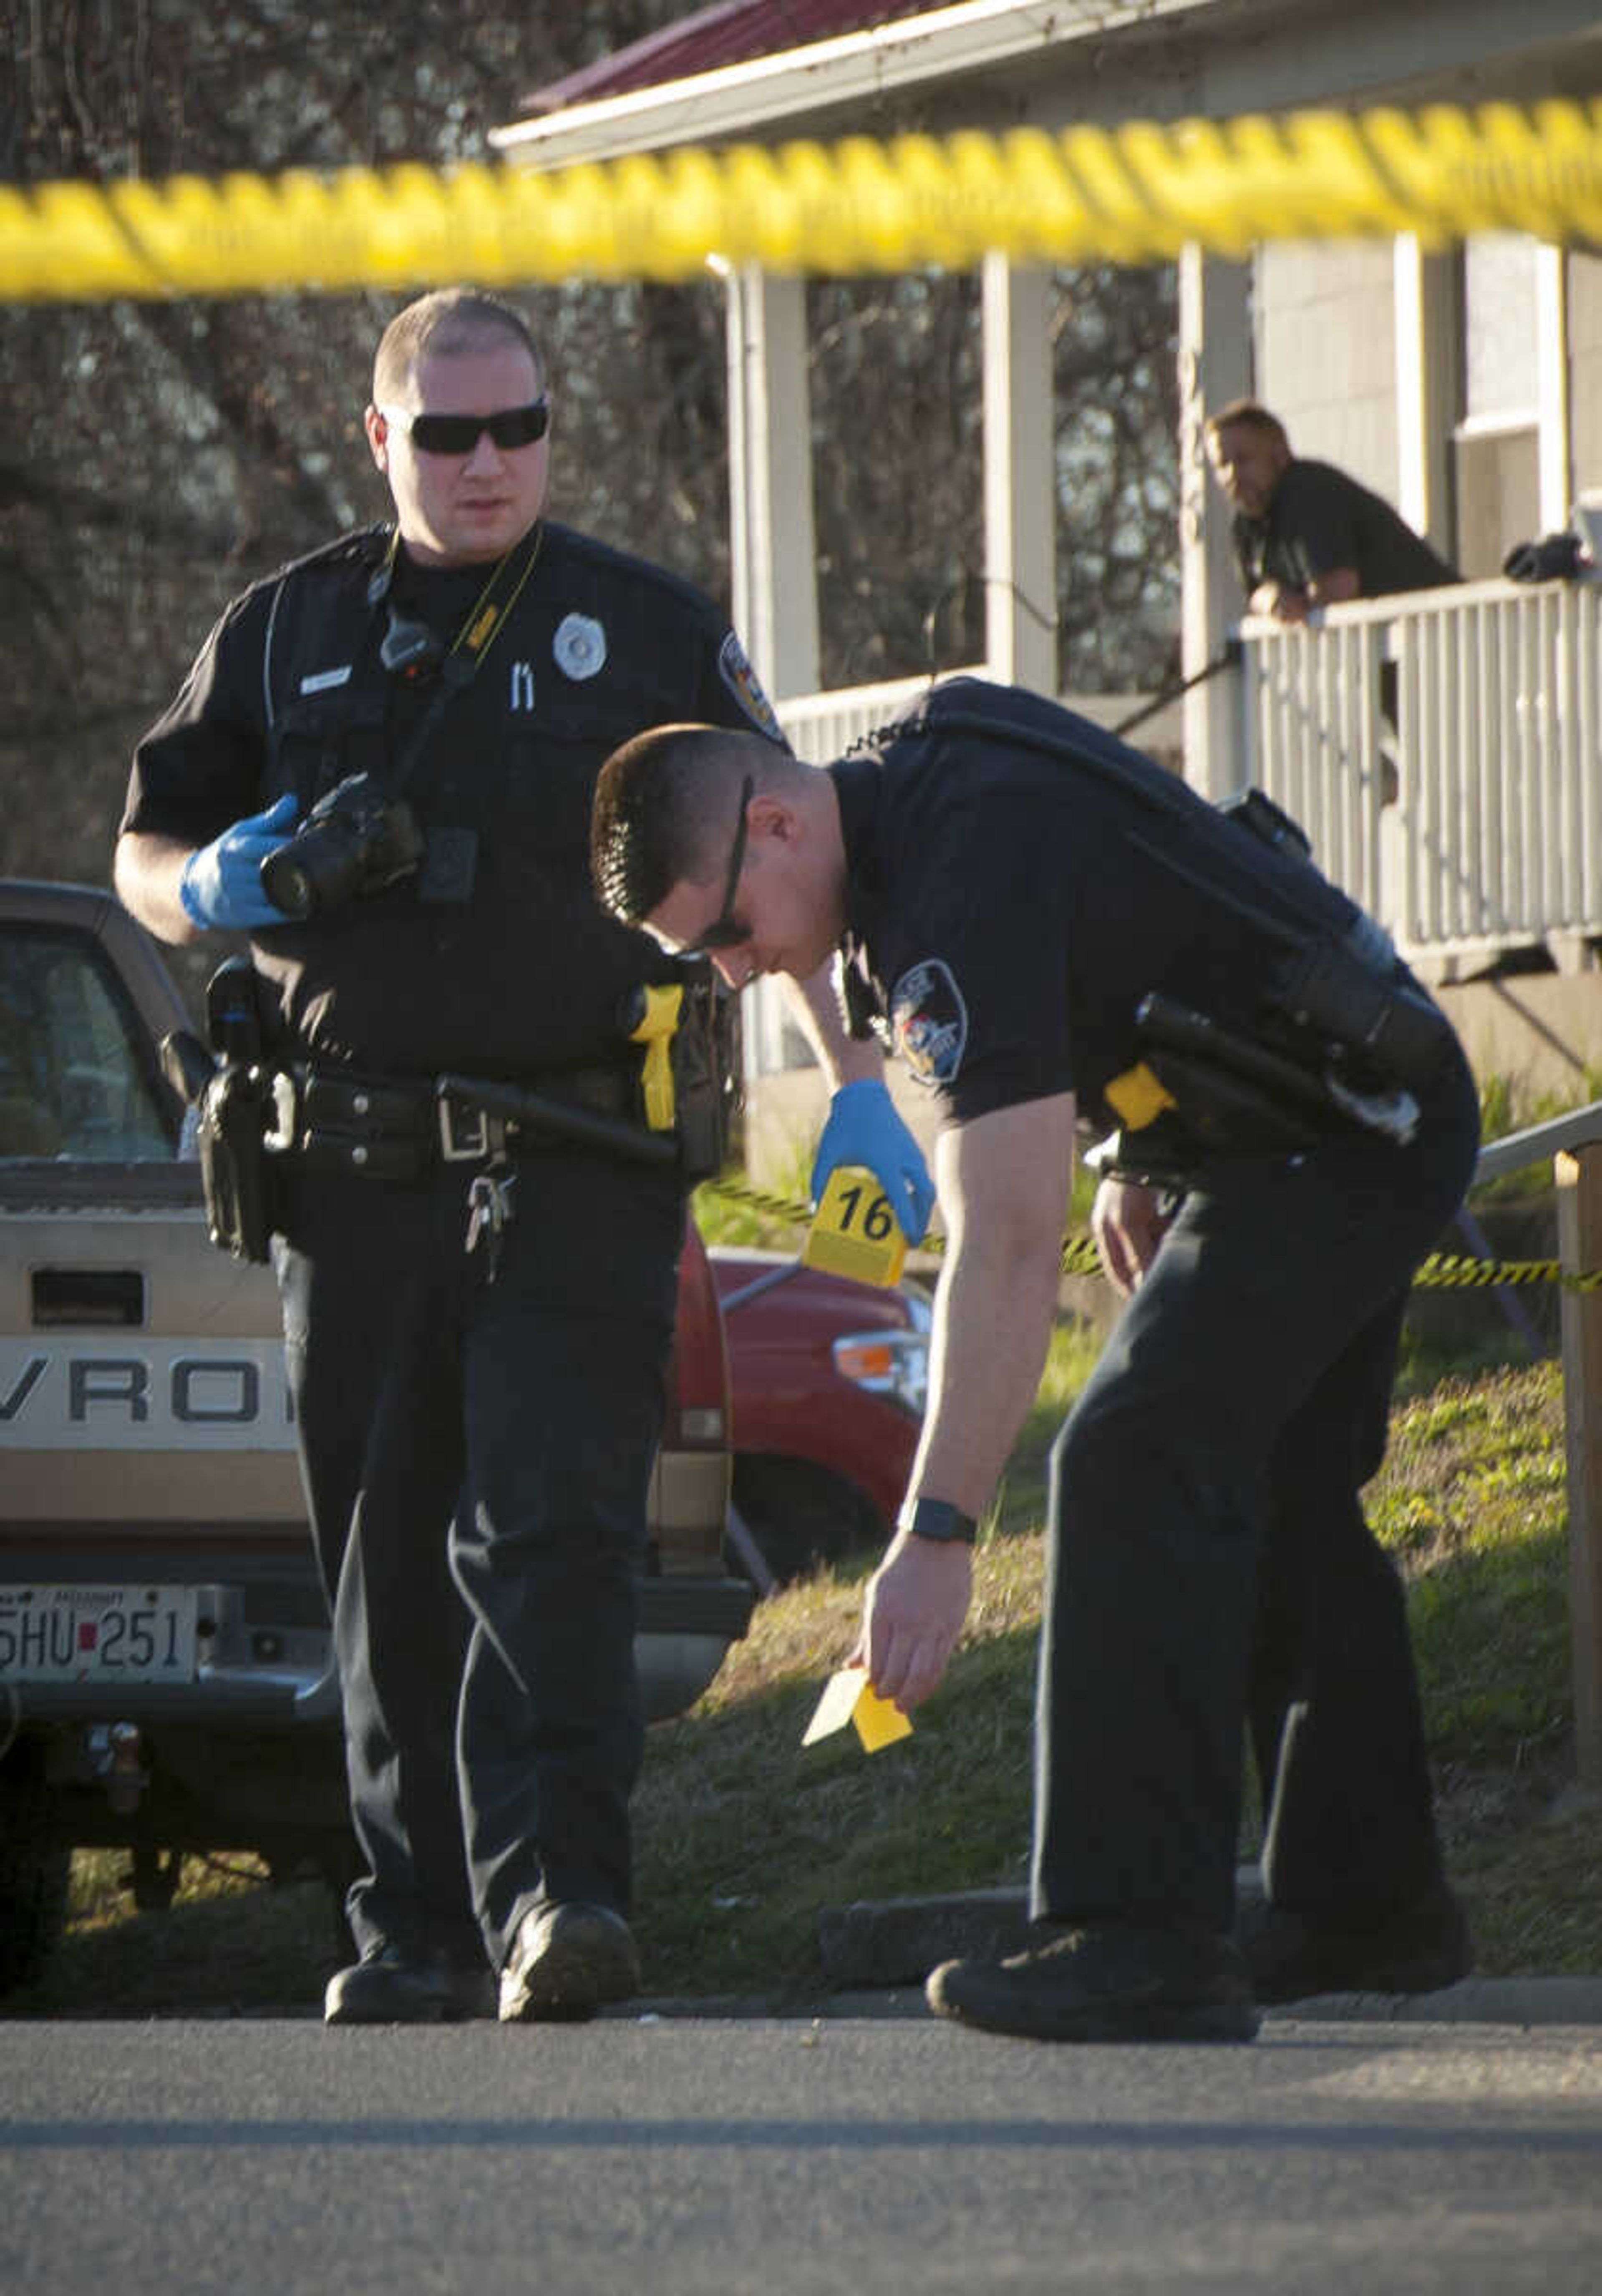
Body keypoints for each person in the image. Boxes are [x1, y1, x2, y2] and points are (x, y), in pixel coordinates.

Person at [113, 286, 927, 2028]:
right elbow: (144, 840)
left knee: (550, 1533)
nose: (491, 466)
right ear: (379, 439)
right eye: (450, 434)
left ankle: (563, 1898)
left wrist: (855, 1081)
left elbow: (783, 852)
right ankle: (410, 1926)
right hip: (350, 1170)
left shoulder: (639, 624)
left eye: (522, 429)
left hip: (577, 1157)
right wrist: (208, 887)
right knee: (386, 1551)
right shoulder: (283, 630)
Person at [589, 676, 1480, 2045]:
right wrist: (1142, 1146)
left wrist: (938, 1531)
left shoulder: (941, 892)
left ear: (772, 822)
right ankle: (1370, 1907)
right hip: (1302, 1106)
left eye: (721, 929)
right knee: (1284, 1485)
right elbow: (1131, 910)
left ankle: (1134, 1936)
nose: (730, 968)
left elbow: (1005, 1247)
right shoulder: (916, 792)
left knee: (1130, 1451)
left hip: (1342, 1122)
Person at [1206, 400, 1458, 624]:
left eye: (1243, 460)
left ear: (1280, 455)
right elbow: (1255, 594)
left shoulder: (1308, 492)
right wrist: (1270, 598)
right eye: (1221, 465)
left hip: (1443, 632)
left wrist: (1297, 608)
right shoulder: (1244, 524)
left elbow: (1338, 590)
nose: (1232, 475)